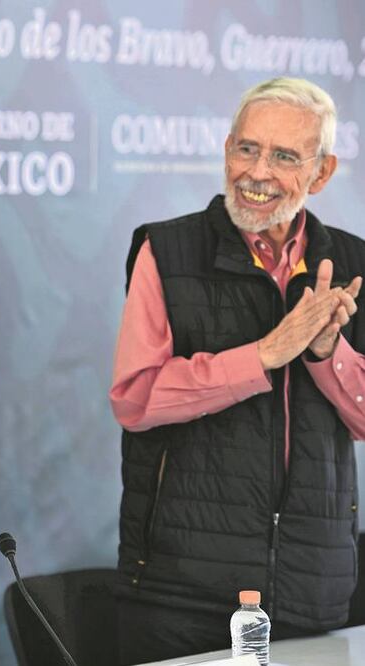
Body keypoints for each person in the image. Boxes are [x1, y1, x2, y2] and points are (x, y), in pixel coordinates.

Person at [110, 77, 365, 664]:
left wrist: (327, 354)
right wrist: (264, 355)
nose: (258, 172)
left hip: (312, 588)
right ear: (227, 150)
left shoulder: (352, 262)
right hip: (182, 592)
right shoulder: (166, 250)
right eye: (247, 149)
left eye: (285, 157)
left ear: (322, 173)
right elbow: (135, 399)